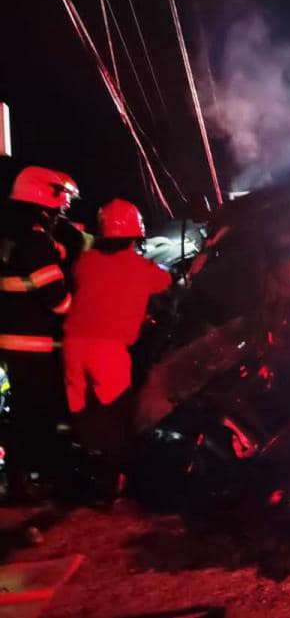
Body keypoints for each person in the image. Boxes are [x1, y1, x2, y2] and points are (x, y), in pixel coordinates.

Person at [62, 199, 171, 501]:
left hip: (72, 348)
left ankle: (85, 475)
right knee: (116, 416)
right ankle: (114, 484)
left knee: (83, 415)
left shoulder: (85, 263)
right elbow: (168, 282)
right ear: (137, 234)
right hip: (107, 351)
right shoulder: (142, 268)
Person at [0, 166, 78, 501]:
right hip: (34, 345)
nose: (64, 209)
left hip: (15, 341)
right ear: (44, 195)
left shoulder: (14, 234)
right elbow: (58, 301)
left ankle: (24, 478)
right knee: (36, 414)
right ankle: (31, 481)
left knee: (24, 412)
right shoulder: (33, 238)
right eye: (62, 200)